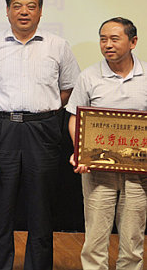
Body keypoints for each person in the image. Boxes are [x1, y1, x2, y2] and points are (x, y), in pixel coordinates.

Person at [0, 0, 80, 270]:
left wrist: (42, 110)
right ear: (8, 11)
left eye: (31, 6)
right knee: (0, 207)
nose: (24, 12)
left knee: (41, 209)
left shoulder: (58, 45)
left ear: (41, 12)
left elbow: (68, 88)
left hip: (42, 130)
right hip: (2, 128)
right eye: (17, 6)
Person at [67, 17, 147, 270]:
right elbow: (75, 118)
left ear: (133, 41)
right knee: (95, 236)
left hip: (138, 170)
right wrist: (80, 152)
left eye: (114, 39)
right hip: (97, 168)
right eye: (103, 39)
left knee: (133, 236)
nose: (107, 45)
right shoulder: (89, 76)